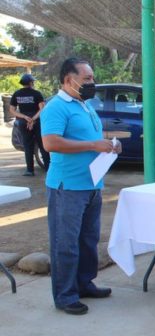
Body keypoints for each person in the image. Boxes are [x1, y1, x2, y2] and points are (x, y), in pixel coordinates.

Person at [41, 58, 122, 315]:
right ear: (69, 79)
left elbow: (92, 139)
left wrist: (109, 144)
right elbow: (51, 143)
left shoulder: (85, 105)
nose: (92, 82)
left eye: (92, 78)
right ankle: (65, 296)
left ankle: (84, 283)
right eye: (86, 78)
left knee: (88, 239)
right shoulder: (56, 107)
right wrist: (92, 145)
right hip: (67, 187)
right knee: (66, 243)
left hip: (92, 183)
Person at [10, 73, 50, 176]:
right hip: (37, 122)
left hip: (23, 122)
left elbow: (12, 110)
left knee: (28, 146)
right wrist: (33, 119)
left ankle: (29, 170)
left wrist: (24, 117)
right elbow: (42, 109)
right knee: (42, 145)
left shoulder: (16, 94)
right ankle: (48, 169)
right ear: (31, 83)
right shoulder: (37, 93)